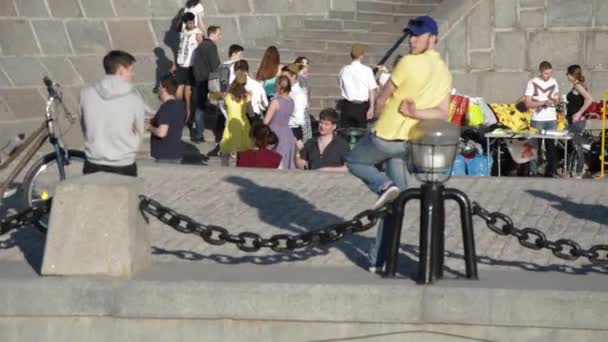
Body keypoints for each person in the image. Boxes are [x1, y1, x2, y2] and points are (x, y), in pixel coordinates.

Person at [346, 16, 452, 272]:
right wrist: (416, 114)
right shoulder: (444, 71)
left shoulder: (407, 62)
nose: (412, 40)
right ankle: (379, 260)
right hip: (410, 143)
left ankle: (382, 184)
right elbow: (442, 112)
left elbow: (383, 98)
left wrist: (380, 111)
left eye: (418, 35)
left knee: (355, 161)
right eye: (411, 35)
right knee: (395, 203)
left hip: (386, 135)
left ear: (432, 38)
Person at [80, 50, 146, 177]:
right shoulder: (134, 97)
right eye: (131, 70)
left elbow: (84, 125)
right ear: (121, 70)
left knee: (93, 197)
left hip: (93, 161)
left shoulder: (86, 93)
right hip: (124, 162)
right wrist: (132, 146)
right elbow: (140, 130)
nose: (133, 74)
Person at [524, 61, 560, 177]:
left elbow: (557, 98)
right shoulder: (532, 82)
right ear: (540, 72)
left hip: (551, 119)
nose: (548, 76)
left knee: (551, 146)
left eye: (550, 73)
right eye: (546, 74)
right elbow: (528, 103)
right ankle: (533, 171)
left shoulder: (554, 82)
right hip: (537, 119)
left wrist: (556, 99)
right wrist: (544, 102)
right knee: (535, 146)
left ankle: (550, 171)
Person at [191, 25, 221, 143]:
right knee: (219, 106)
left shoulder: (200, 46)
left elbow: (195, 65)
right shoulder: (211, 47)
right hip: (210, 81)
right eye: (219, 34)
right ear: (212, 34)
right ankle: (219, 132)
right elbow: (215, 66)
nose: (220, 37)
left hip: (199, 81)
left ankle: (198, 134)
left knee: (199, 107)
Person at [338, 43, 378, 129]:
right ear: (362, 55)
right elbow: (371, 90)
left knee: (345, 133)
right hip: (362, 107)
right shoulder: (367, 70)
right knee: (361, 134)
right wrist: (371, 107)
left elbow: (341, 86)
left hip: (347, 105)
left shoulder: (343, 70)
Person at [149, 75, 187, 163]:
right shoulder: (180, 106)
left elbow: (162, 133)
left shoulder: (165, 107)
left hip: (164, 155)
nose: (159, 90)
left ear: (164, 89)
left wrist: (149, 127)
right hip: (176, 154)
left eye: (160, 87)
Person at [566, 64, 594, 178]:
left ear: (572, 75)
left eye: (567, 74)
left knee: (577, 146)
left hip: (577, 121)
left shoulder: (578, 86)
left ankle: (578, 170)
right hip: (575, 121)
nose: (566, 76)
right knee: (576, 145)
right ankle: (576, 170)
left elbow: (589, 99)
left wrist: (578, 113)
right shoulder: (577, 85)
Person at [174, 12, 203, 122]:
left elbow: (200, 48)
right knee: (183, 88)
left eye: (193, 22)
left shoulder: (194, 32)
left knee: (186, 88)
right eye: (189, 22)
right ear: (185, 23)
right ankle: (181, 111)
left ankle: (186, 112)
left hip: (188, 64)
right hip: (186, 64)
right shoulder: (193, 32)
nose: (192, 24)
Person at [264, 75, 297, 170]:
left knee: (277, 163)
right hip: (288, 133)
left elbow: (266, 121)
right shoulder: (292, 101)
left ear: (279, 86)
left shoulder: (275, 102)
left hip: (275, 133)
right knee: (287, 163)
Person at [219, 72, 253, 164]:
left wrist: (227, 115)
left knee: (227, 147)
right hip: (243, 123)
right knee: (243, 148)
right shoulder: (247, 96)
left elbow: (222, 106)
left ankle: (224, 166)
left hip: (230, 123)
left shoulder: (227, 96)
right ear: (245, 83)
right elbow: (251, 112)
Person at [281, 63, 308, 145]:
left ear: (293, 76)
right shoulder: (285, 91)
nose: (283, 80)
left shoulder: (298, 94)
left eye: (286, 77)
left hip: (292, 132)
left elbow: (298, 119)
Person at [294, 56, 313, 141]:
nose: (305, 65)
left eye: (307, 63)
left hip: (302, 109)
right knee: (304, 135)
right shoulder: (300, 78)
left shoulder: (302, 78)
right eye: (303, 63)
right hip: (301, 109)